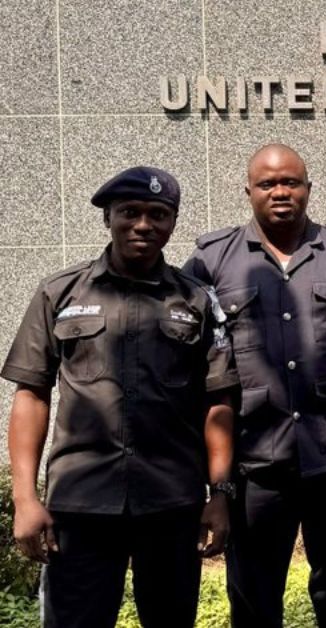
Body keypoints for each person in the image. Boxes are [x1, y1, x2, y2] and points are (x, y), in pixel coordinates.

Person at [4, 167, 238, 628]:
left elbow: (219, 404)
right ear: (108, 217)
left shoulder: (196, 300)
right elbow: (31, 393)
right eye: (130, 212)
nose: (144, 225)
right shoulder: (60, 293)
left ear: (172, 222)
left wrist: (220, 494)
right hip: (82, 504)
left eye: (159, 214)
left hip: (171, 504)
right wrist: (26, 498)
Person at [183, 144, 326, 628]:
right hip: (254, 463)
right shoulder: (210, 262)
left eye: (291, 182)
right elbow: (188, 352)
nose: (280, 192)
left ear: (307, 188)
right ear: (248, 191)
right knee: (255, 600)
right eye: (268, 184)